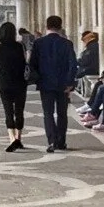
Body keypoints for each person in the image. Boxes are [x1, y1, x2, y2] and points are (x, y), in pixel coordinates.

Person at [28, 14, 77, 151]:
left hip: (45, 83)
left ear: (47, 26)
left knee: (48, 113)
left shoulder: (39, 43)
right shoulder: (67, 43)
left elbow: (32, 64)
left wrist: (37, 78)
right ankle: (61, 141)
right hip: (63, 84)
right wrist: (70, 83)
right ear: (60, 27)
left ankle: (51, 141)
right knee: (62, 113)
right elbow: (73, 64)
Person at [0, 20, 28, 153]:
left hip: (4, 83)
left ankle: (12, 139)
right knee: (19, 110)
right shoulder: (19, 46)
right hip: (19, 82)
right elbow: (23, 62)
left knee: (8, 111)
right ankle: (19, 137)